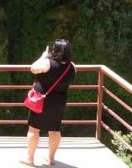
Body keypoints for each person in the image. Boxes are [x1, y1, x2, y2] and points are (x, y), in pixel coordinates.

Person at [23, 38, 76, 167]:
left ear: (55, 50)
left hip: (41, 100)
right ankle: (51, 159)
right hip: (59, 102)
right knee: (55, 130)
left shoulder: (47, 63)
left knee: (34, 129)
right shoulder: (72, 66)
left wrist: (43, 56)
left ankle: (30, 158)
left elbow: (33, 68)